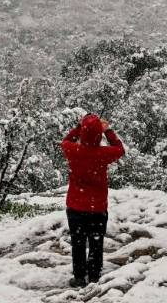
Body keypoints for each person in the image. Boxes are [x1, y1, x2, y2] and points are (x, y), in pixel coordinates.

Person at [61, 113, 125, 288]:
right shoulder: (102, 154)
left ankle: (80, 276)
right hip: (97, 207)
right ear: (99, 135)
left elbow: (66, 140)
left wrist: (79, 127)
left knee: (77, 242)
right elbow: (120, 149)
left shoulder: (73, 151)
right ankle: (95, 275)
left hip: (75, 206)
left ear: (82, 133)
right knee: (96, 241)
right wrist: (108, 130)